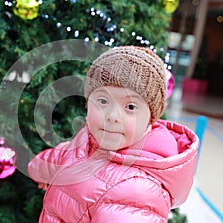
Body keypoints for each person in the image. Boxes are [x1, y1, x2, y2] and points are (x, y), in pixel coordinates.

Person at [28, 46, 199, 223]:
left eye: (130, 107)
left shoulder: (136, 192)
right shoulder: (89, 138)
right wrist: (37, 169)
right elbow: (63, 156)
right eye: (102, 101)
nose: (112, 116)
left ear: (151, 117)